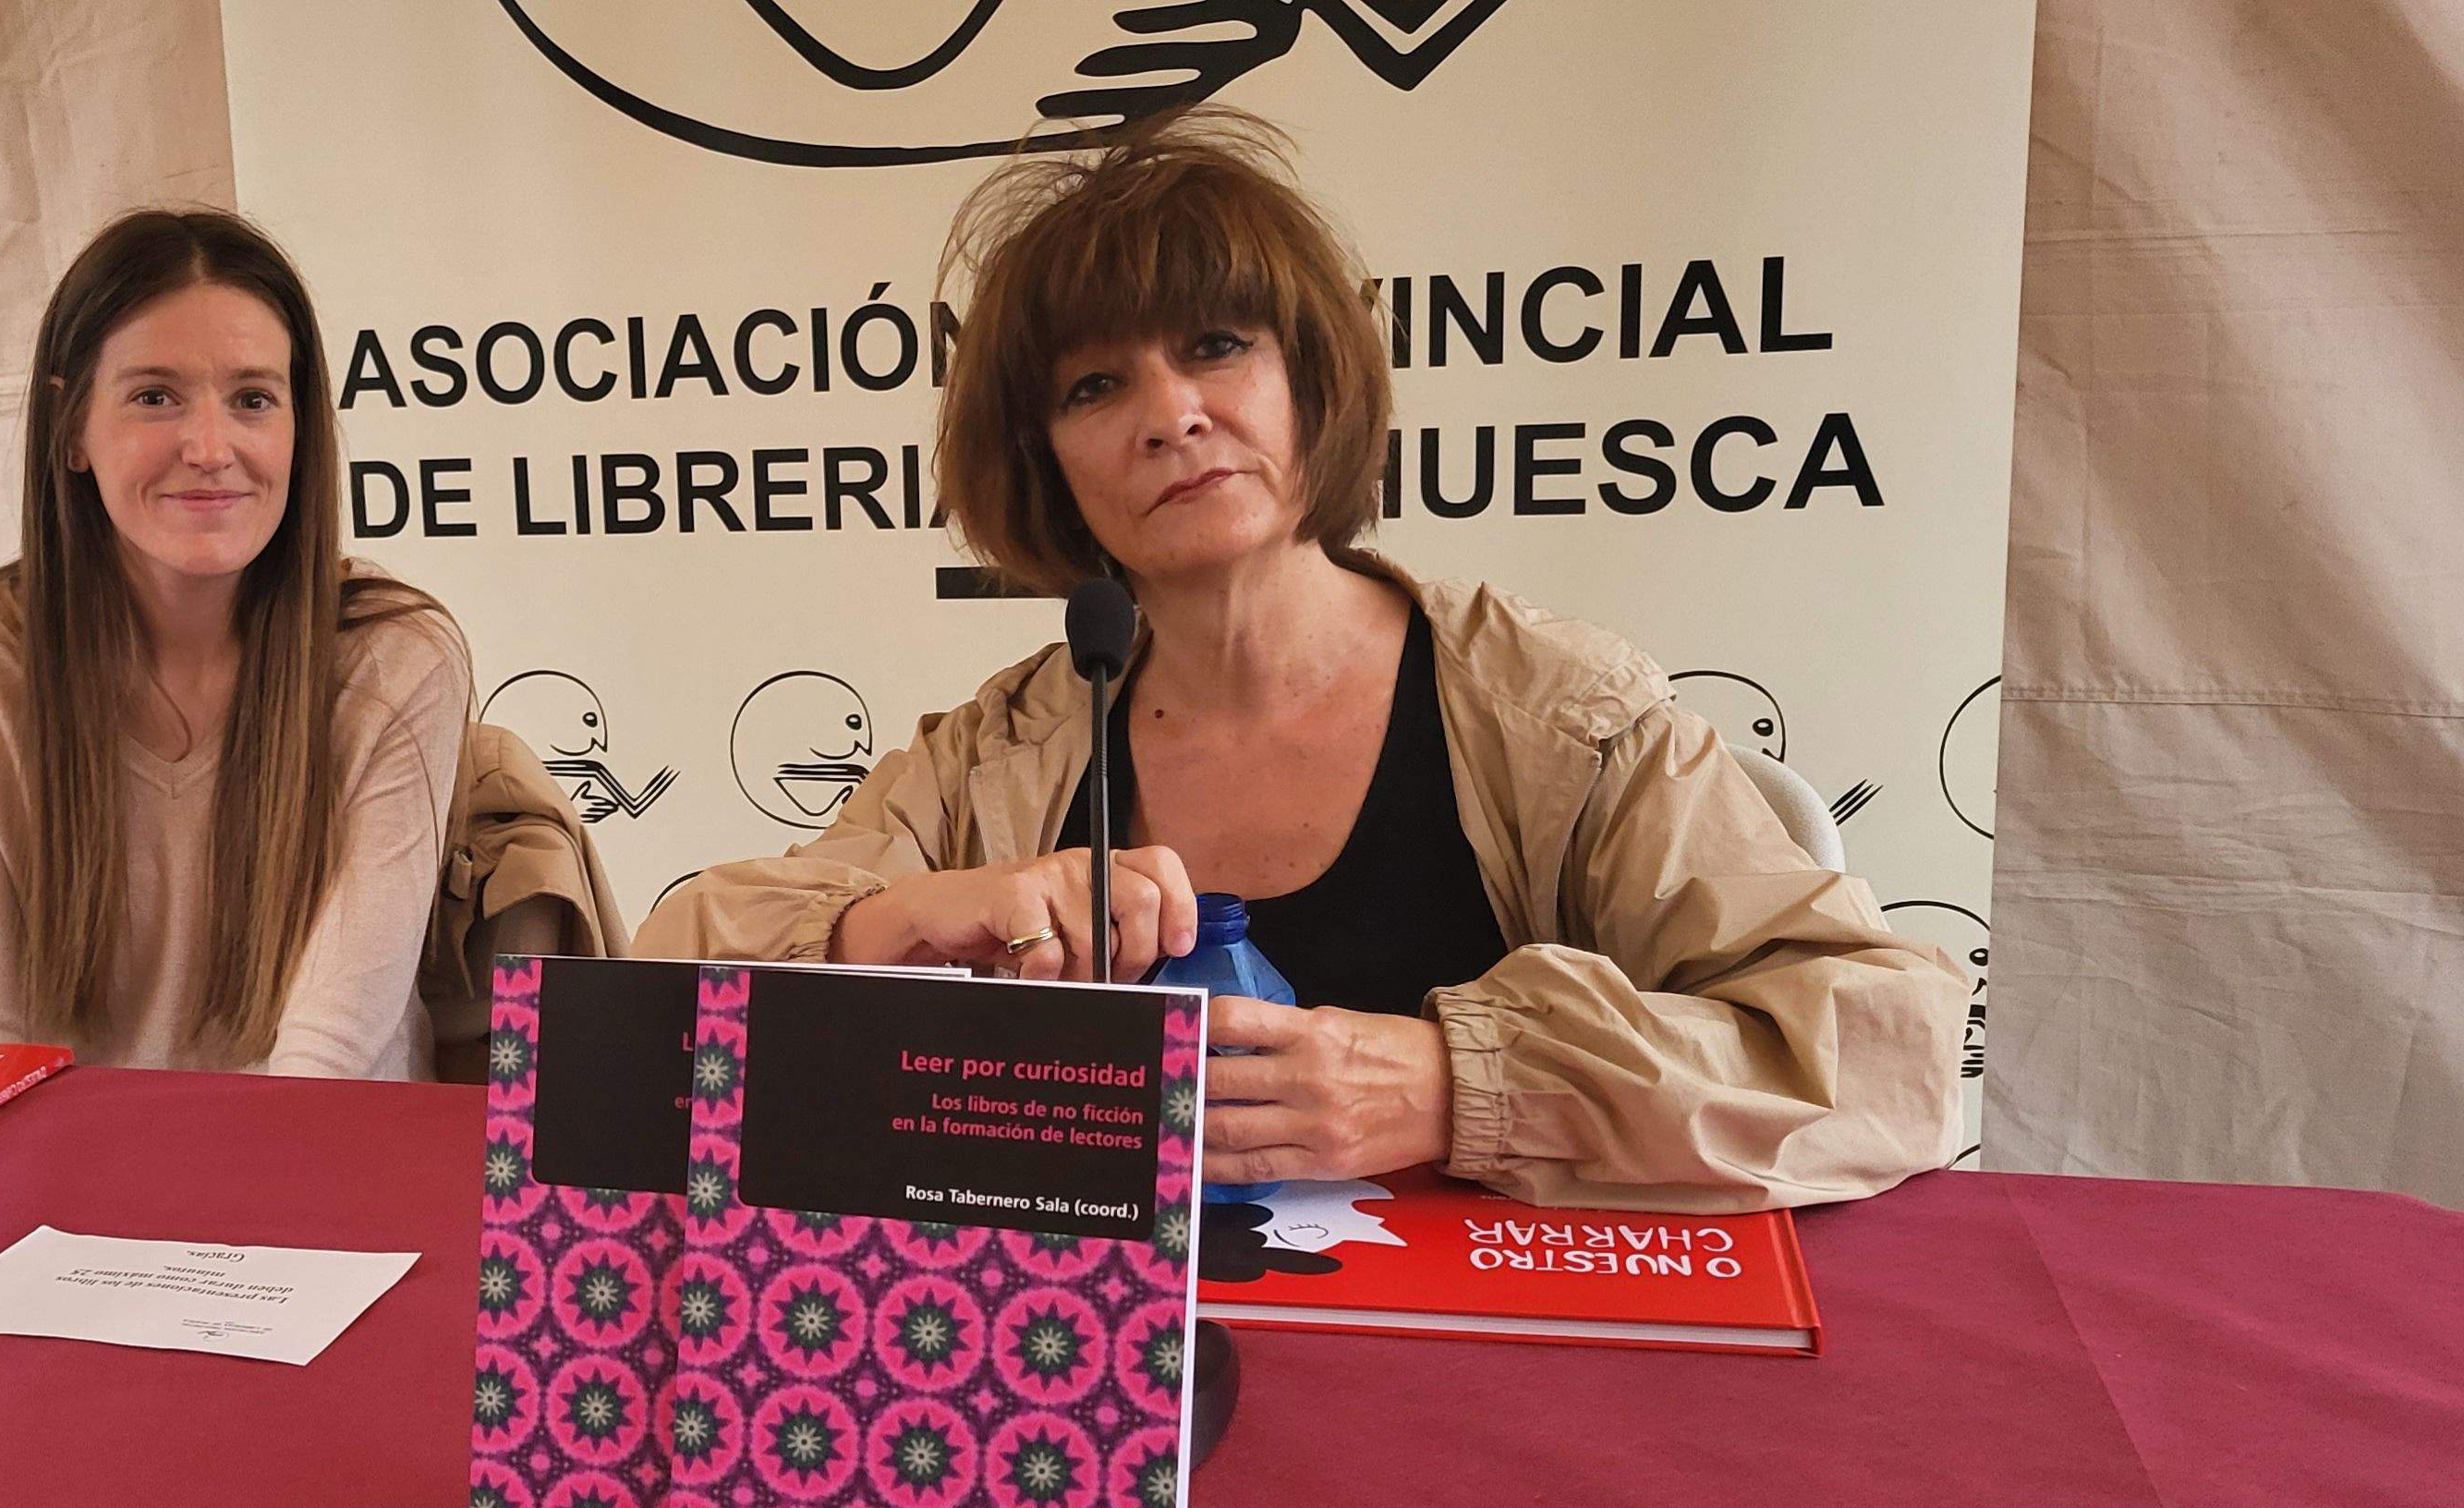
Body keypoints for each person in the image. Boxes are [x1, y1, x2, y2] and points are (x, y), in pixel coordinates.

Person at [638, 115, 1964, 1212]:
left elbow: (1880, 1052)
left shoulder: (1560, 712)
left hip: (1501, 1404)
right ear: (1045, 462)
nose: (1172, 416)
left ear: (1311, 383)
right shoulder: (1001, 748)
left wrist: (1460, 1089)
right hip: (1111, 1395)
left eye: (1217, 346)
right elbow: (655, 1011)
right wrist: (895, 930)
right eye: (1094, 388)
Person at [0, 209, 470, 1077]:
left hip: (312, 1169)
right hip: (75, 1191)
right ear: (71, 430)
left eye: (253, 399)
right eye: (154, 397)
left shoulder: (397, 658)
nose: (211, 448)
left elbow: (329, 1057)